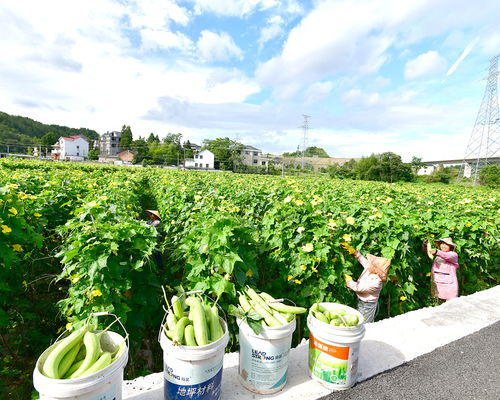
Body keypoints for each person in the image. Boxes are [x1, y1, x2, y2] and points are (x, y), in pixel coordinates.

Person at [341, 242, 391, 323]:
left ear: (377, 270)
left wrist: (349, 281)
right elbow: (364, 261)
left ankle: (368, 335)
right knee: (358, 318)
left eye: (373, 264)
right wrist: (355, 252)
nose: (370, 264)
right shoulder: (372, 269)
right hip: (361, 300)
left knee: (364, 323)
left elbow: (359, 288)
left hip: (368, 305)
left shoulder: (376, 283)